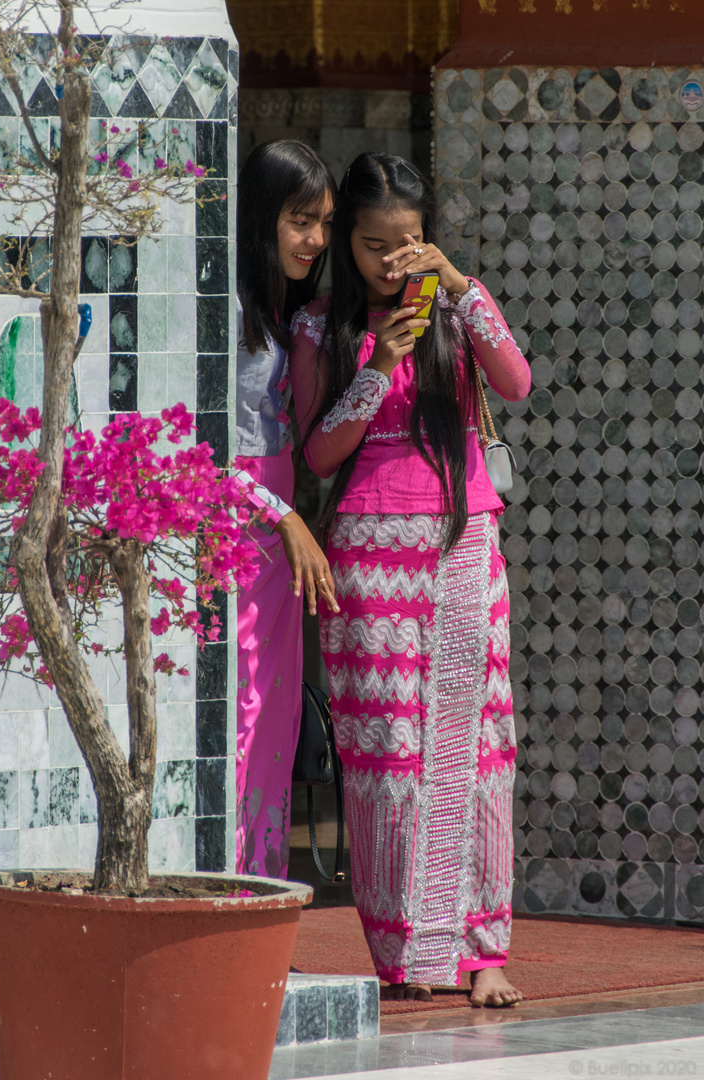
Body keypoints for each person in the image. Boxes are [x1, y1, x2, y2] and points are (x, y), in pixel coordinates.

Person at [289, 152, 530, 1005]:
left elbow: (517, 381)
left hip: (464, 542)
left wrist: (459, 284)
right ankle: (410, 956)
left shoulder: (456, 310)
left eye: (410, 242)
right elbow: (317, 456)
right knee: (387, 757)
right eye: (373, 246)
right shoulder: (323, 325)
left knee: (476, 747)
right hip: (367, 555)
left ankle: (484, 952)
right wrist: (375, 372)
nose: (393, 261)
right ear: (344, 244)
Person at [234, 140, 339, 878]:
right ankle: (231, 883)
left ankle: (260, 896)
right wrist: (283, 511)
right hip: (229, 547)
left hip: (275, 555)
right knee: (239, 716)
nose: (317, 240)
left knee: (274, 716)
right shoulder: (227, 310)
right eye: (302, 220)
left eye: (326, 222)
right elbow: (194, 454)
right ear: (264, 216)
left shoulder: (279, 315)